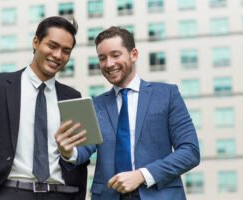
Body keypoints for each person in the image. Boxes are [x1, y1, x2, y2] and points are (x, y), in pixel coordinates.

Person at [56, 26, 200, 200]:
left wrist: (142, 175)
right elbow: (82, 151)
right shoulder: (95, 105)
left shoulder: (167, 95)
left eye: (115, 55)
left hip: (160, 194)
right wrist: (67, 150)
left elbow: (190, 151)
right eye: (102, 58)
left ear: (134, 55)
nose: (109, 64)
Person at [0, 16, 89, 200]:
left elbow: (81, 157)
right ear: (36, 42)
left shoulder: (74, 97)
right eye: (52, 46)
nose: (57, 55)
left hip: (60, 194)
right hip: (9, 192)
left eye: (66, 51)